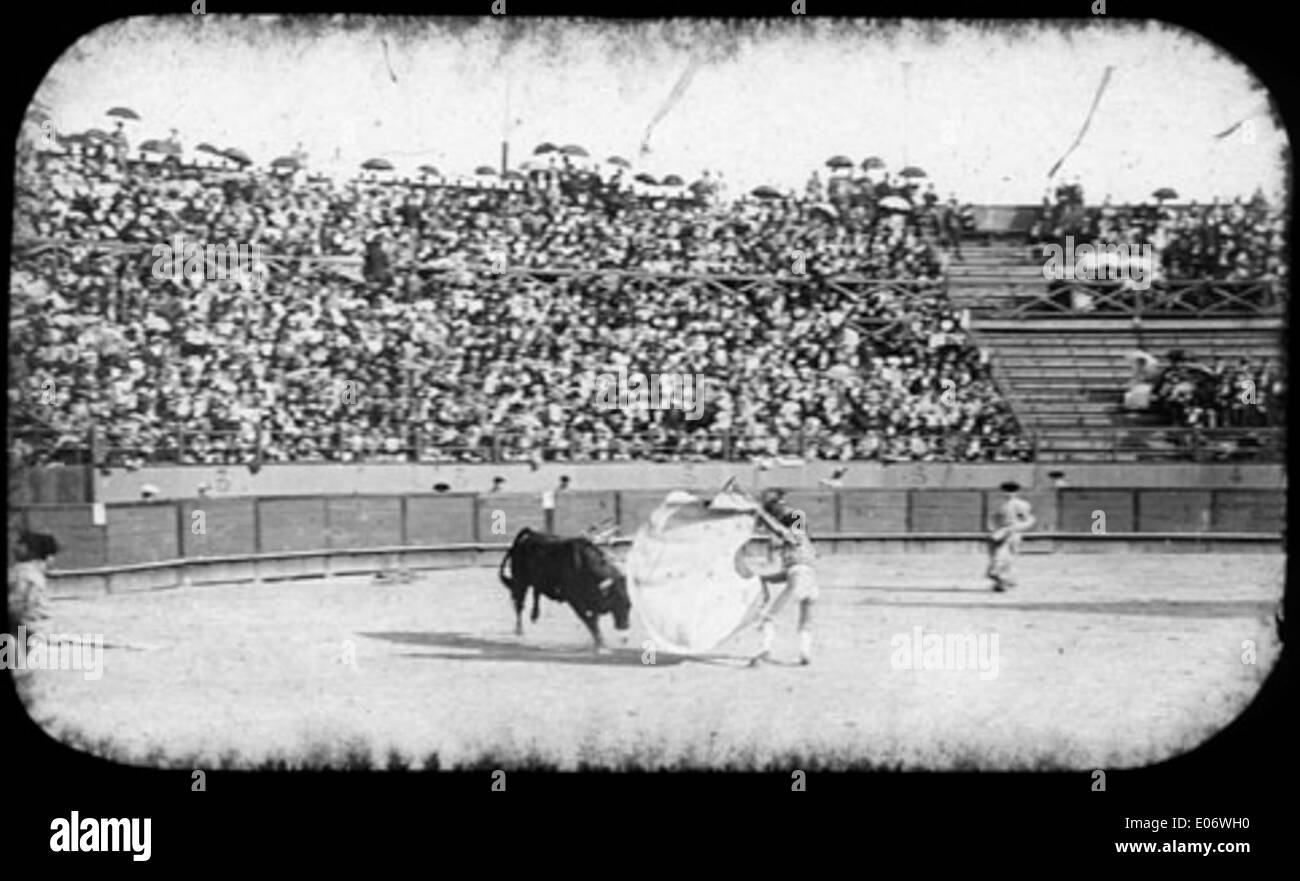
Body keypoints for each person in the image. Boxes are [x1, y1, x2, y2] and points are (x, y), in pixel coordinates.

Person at [749, 499, 818, 666]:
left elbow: (779, 529)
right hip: (812, 586)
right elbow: (788, 573)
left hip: (797, 583)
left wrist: (760, 512)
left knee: (769, 617)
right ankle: (804, 653)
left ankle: (765, 651)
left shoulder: (795, 536)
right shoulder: (805, 545)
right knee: (805, 621)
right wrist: (765, 578)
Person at [987, 481, 1035, 592]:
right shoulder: (999, 504)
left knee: (1006, 557)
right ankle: (1002, 581)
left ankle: (1003, 580)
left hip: (1013, 533)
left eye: (1012, 491)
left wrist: (1016, 528)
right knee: (997, 556)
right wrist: (993, 530)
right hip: (999, 532)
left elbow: (1029, 520)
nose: (1009, 493)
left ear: (1017, 492)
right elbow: (993, 518)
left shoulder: (1021, 505)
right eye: (1006, 491)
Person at [10, 530, 59, 634]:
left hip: (27, 630)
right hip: (42, 627)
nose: (14, 548)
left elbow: (16, 607)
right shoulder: (35, 572)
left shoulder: (23, 573)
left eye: (20, 544)